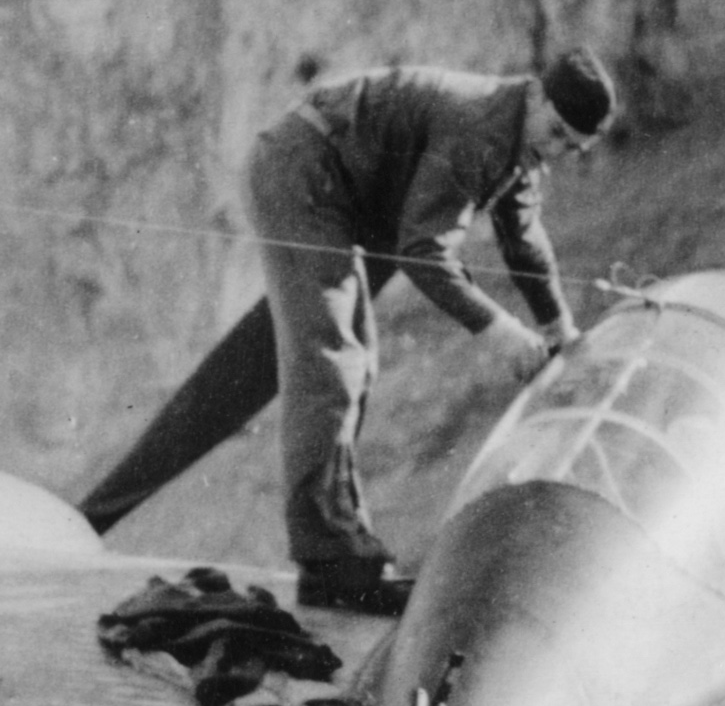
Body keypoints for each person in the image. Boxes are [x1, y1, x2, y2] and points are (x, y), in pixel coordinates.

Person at [244, 47, 619, 608]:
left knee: (355, 361)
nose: (559, 150)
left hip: (334, 182)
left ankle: (338, 555)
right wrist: (499, 330)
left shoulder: (522, 136)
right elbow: (423, 253)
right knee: (330, 362)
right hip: (303, 170)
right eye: (559, 132)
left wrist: (559, 327)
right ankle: (331, 563)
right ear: (538, 93)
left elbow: (524, 240)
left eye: (573, 147)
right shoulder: (481, 126)